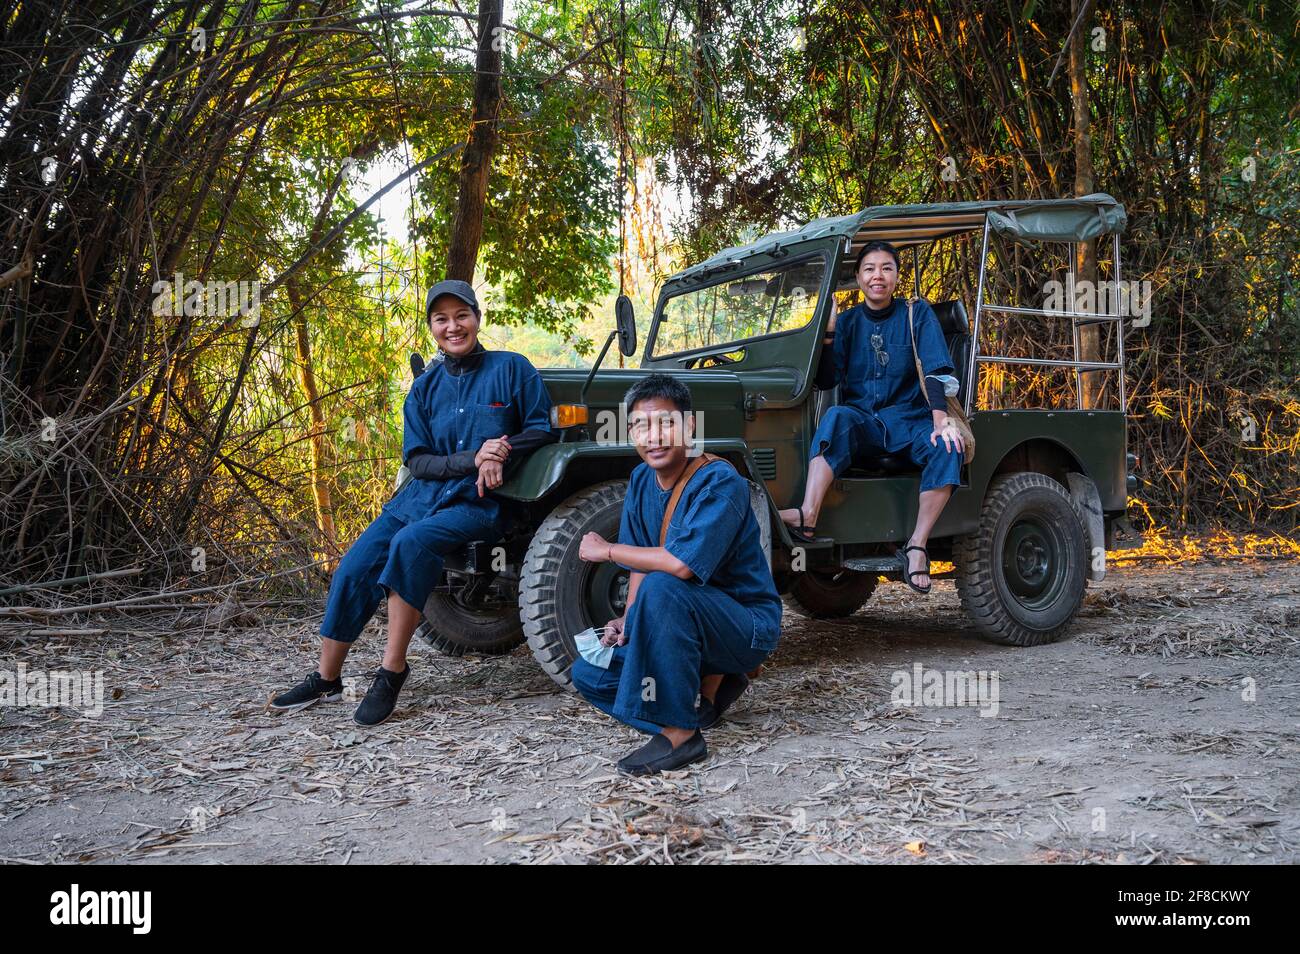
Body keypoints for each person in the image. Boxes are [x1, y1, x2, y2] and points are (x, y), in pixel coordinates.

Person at [272, 280, 555, 725]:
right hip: (419, 498)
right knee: (353, 567)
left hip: (478, 503)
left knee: (412, 544)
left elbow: (542, 428)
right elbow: (419, 461)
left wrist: (501, 447)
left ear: (477, 318)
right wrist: (471, 457)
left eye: (461, 315)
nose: (453, 326)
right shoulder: (424, 389)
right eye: (441, 319)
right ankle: (328, 677)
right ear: (432, 327)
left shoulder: (512, 368)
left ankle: (392, 670)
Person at [571, 374, 782, 775]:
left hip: (744, 626)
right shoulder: (639, 480)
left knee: (666, 584)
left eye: (666, 423)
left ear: (690, 427)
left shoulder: (720, 481)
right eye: (640, 426)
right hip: (688, 625)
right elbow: (639, 568)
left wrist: (607, 550)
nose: (654, 436)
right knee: (587, 674)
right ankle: (701, 703)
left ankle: (681, 735)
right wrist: (627, 621)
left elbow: (679, 565)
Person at [778, 240, 964, 593]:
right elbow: (827, 379)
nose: (877, 275)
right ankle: (808, 514)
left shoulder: (916, 313)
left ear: (896, 275)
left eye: (886, 268)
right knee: (836, 416)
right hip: (863, 422)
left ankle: (917, 545)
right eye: (869, 269)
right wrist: (829, 331)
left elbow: (937, 369)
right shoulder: (848, 323)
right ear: (859, 277)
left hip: (911, 420)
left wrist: (941, 420)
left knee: (949, 446)